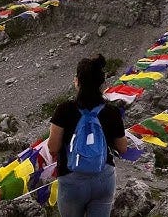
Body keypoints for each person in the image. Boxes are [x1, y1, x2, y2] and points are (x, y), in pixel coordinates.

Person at [49, 54, 127, 217]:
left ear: (77, 81)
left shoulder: (64, 110)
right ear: (101, 82)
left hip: (72, 180)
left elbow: (53, 147)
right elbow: (123, 148)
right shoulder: (111, 112)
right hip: (103, 178)